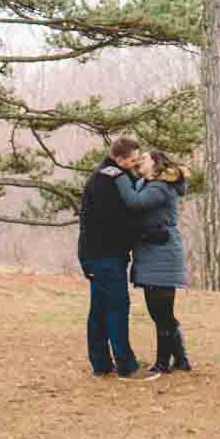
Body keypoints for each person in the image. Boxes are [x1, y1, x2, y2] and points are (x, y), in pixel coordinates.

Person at [114, 149, 192, 377]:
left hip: (163, 254)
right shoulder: (146, 183)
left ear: (156, 164)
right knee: (160, 312)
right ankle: (180, 359)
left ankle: (163, 362)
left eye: (145, 159)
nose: (140, 161)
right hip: (150, 252)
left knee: (161, 312)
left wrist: (118, 177)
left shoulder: (160, 187)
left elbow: (135, 203)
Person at [77, 134, 144, 378]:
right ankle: (126, 366)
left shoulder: (107, 176)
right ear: (118, 158)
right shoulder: (106, 180)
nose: (135, 163)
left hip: (97, 254)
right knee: (116, 307)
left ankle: (101, 364)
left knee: (100, 309)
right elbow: (114, 220)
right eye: (132, 160)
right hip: (103, 255)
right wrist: (141, 233)